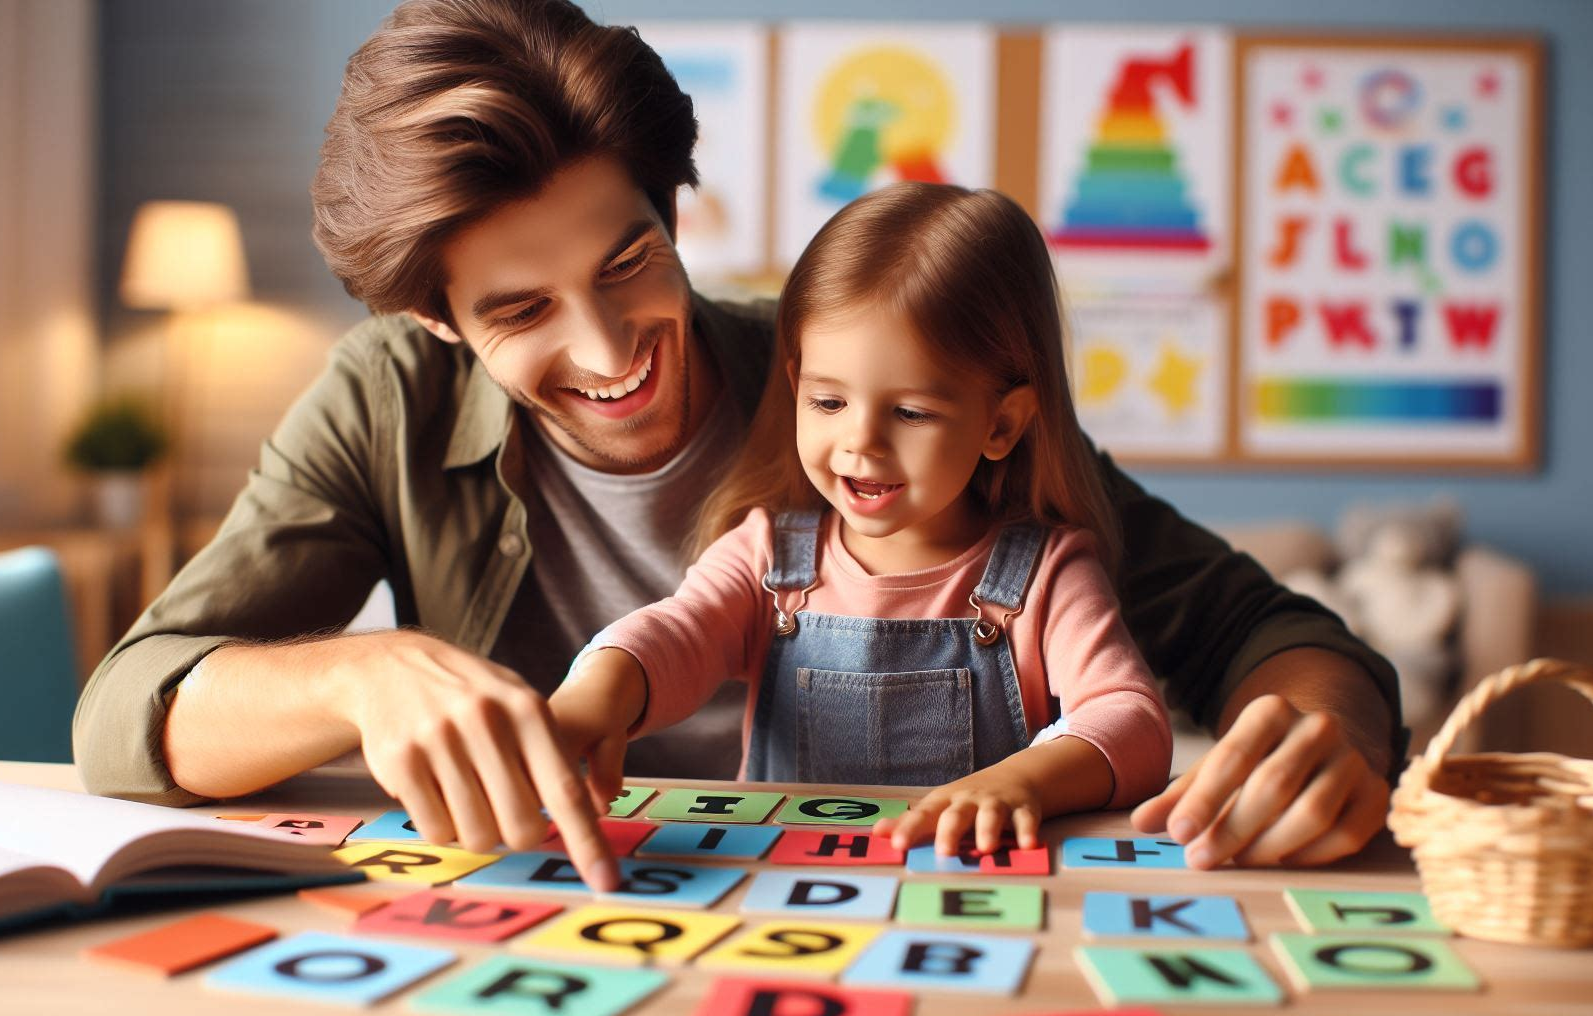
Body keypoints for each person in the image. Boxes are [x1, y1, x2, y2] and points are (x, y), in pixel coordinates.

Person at [73, 0, 1405, 894]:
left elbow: (1267, 631)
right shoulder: (385, 400)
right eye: (522, 312)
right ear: (436, 323)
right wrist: (360, 680)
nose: (609, 352)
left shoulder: (851, 381)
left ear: (671, 209)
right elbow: (128, 710)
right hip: (600, 922)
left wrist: (1321, 735)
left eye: (630, 258)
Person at [550, 183, 1172, 856]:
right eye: (827, 402)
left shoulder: (1048, 574)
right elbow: (678, 633)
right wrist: (598, 692)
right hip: (787, 892)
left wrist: (1026, 781)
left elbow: (1131, 720)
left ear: (1001, 423)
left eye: (909, 413)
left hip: (965, 894)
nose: (860, 444)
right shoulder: (766, 555)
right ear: (795, 385)